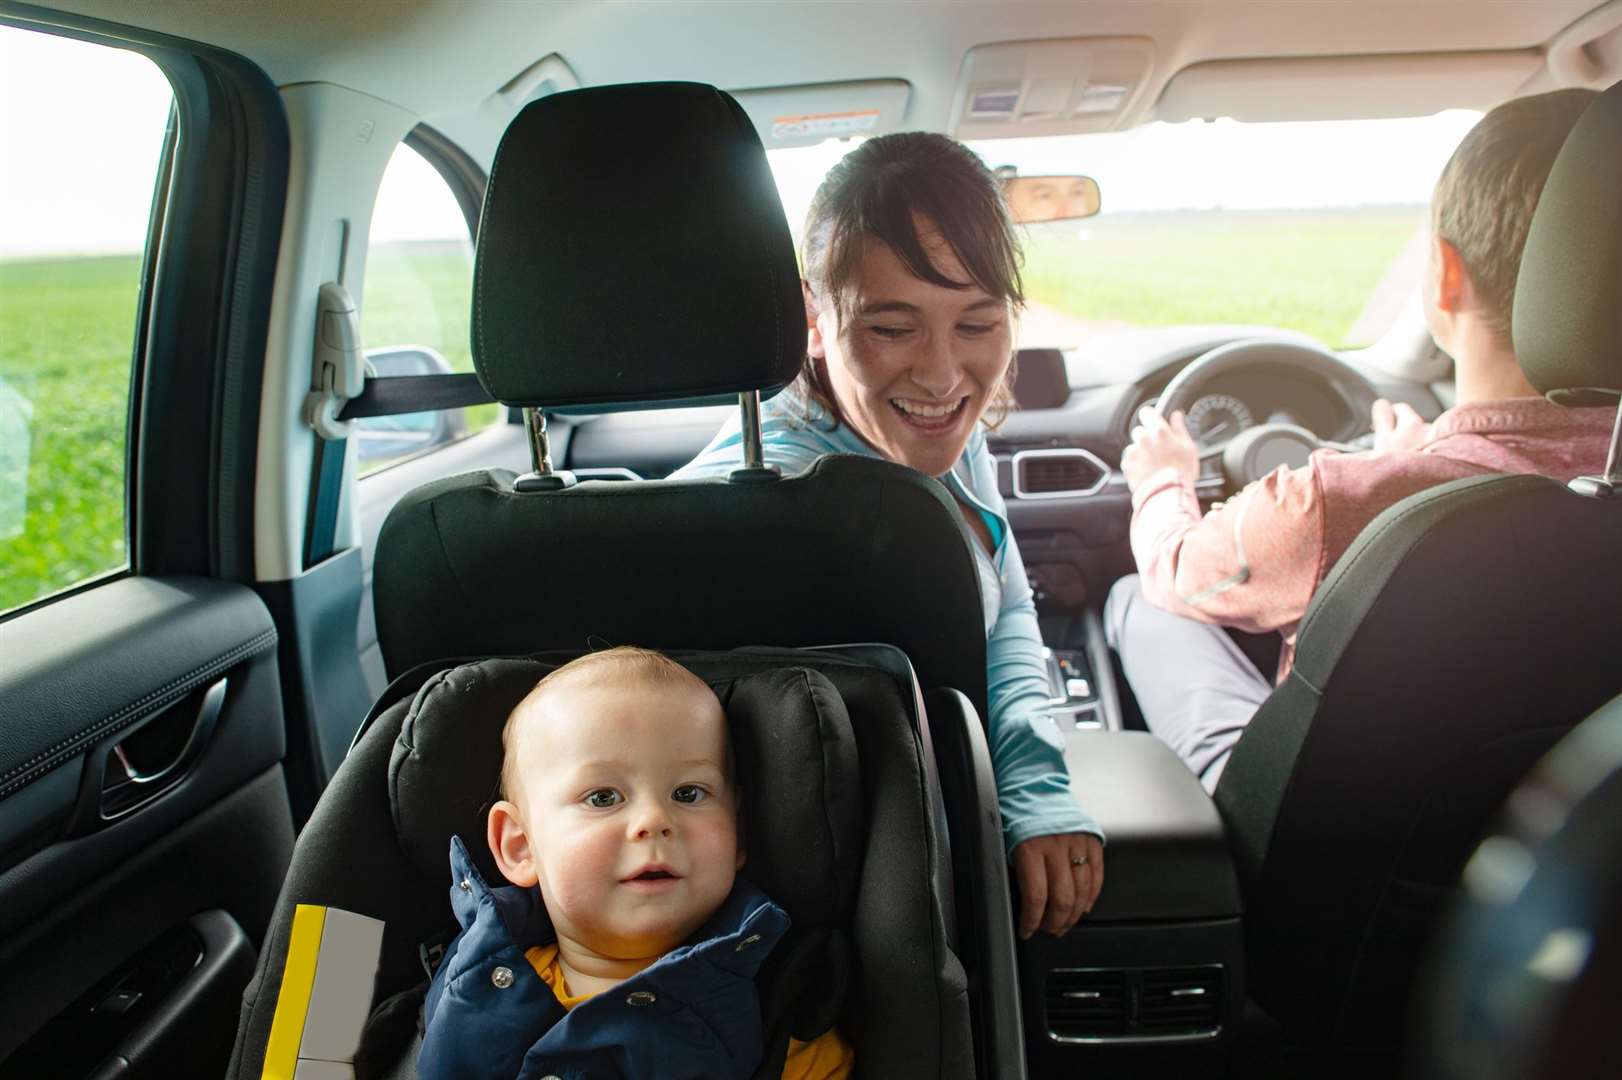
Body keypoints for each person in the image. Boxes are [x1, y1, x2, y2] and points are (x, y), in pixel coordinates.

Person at [1108, 88, 1615, 792]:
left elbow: (1179, 569)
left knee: (1136, 597)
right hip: (1583, 865)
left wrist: (1160, 479)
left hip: (1330, 871)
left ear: (1445, 274)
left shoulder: (1341, 504)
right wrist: (1417, 461)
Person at [673, 132, 1105, 940]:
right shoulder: (757, 515)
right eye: (893, 328)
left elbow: (1005, 596)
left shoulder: (942, 435)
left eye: (977, 325)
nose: (944, 378)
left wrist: (1029, 780)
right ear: (812, 318)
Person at [418, 647, 853, 1080]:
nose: (654, 821)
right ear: (521, 846)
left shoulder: (777, 1012)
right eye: (603, 798)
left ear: (737, 830)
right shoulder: (463, 961)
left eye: (688, 793)